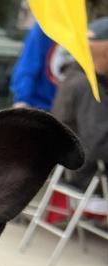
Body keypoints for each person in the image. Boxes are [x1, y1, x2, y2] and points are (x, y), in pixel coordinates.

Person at [52, 18, 108, 190]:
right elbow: (98, 144)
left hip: (70, 169)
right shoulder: (88, 87)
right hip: (87, 176)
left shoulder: (73, 76)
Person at [10, 21, 63, 110]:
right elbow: (29, 66)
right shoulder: (45, 27)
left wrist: (22, 99)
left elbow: (28, 65)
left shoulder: (45, 26)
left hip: (43, 105)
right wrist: (22, 99)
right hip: (43, 105)